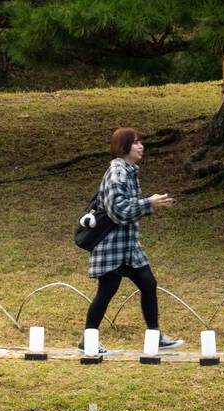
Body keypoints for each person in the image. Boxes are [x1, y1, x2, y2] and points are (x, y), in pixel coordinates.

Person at [80, 127, 182, 353]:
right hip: (112, 246)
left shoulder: (129, 171)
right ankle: (87, 340)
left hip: (128, 246)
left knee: (148, 284)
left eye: (141, 142)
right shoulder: (118, 173)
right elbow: (118, 210)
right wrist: (149, 203)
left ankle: (155, 337)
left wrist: (149, 204)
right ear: (124, 146)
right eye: (136, 142)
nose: (141, 146)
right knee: (106, 291)